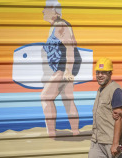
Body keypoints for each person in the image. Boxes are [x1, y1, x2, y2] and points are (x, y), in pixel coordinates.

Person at [41, 0, 82, 137]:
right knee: (67, 99)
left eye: (46, 8)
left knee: (46, 97)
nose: (42, 11)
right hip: (63, 67)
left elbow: (70, 48)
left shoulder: (61, 25)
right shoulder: (55, 26)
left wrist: (68, 71)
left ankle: (51, 134)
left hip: (64, 67)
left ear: (55, 11)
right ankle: (76, 132)